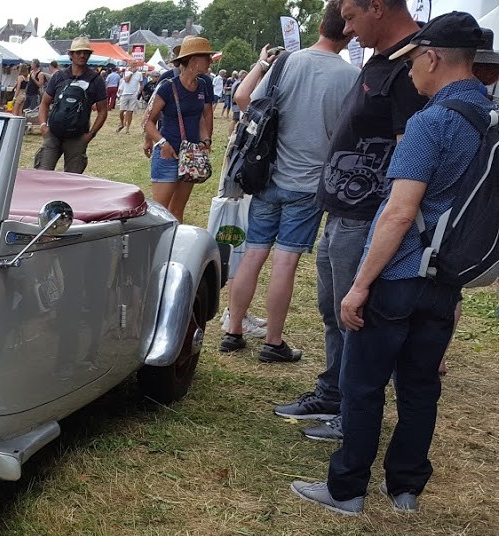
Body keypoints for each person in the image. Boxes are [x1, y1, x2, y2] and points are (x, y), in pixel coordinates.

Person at [291, 12, 491, 515]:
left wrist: (359, 285)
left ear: (430, 57)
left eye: (415, 62)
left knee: (363, 384)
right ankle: (405, 488)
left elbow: (399, 212)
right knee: (421, 387)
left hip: (400, 272)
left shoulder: (432, 122)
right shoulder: (488, 119)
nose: (412, 74)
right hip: (447, 278)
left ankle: (347, 489)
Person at [273, 0, 424, 441]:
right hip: (342, 209)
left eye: (352, 18)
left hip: (366, 214)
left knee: (355, 314)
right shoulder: (384, 58)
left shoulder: (411, 66)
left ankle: (354, 411)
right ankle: (334, 391)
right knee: (331, 307)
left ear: (377, 8)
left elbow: (409, 151)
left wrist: (387, 216)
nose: (347, 30)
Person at [221, 0, 358, 363]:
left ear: (318, 28)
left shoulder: (286, 63)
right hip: (309, 183)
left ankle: (233, 330)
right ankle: (273, 341)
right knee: (286, 261)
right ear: (349, 30)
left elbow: (244, 98)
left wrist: (262, 63)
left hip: (267, 174)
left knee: (252, 253)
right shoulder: (350, 77)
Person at [143, 36, 216, 221]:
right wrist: (161, 143)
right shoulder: (168, 87)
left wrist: (205, 140)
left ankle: (174, 248)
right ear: (193, 60)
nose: (210, 61)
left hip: (190, 156)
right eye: (206, 57)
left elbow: (200, 116)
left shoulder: (203, 85)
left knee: (177, 211)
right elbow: (147, 121)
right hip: (168, 155)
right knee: (159, 214)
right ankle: (155, 249)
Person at [35, 37, 108, 173]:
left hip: (77, 136)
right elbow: (44, 103)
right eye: (78, 52)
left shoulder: (96, 80)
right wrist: (43, 126)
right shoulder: (59, 77)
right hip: (53, 134)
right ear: (71, 54)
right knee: (41, 175)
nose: (82, 55)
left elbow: (103, 111)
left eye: (85, 52)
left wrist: (91, 134)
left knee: (72, 181)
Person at [115, 63, 142, 132]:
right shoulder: (126, 73)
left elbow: (141, 84)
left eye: (135, 65)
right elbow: (126, 80)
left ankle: (127, 128)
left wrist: (139, 92)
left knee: (130, 112)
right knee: (121, 111)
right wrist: (131, 73)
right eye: (133, 65)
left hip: (133, 95)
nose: (134, 66)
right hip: (125, 94)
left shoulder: (139, 74)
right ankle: (122, 123)